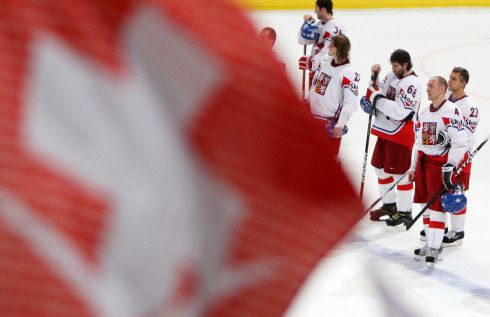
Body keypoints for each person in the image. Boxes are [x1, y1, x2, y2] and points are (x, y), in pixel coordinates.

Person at [409, 76, 468, 266]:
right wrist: (412, 166)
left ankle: (436, 247)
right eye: (427, 85)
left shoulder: (451, 111)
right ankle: (430, 244)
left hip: (438, 167)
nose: (427, 89)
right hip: (423, 165)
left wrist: (450, 166)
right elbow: (418, 143)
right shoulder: (425, 112)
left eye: (431, 86)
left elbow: (460, 142)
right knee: (425, 207)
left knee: (436, 209)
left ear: (442, 89)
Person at [362, 49, 423, 229]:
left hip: (400, 134)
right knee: (379, 168)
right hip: (384, 130)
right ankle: (390, 206)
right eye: (392, 65)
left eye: (396, 66)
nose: (393, 69)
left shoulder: (413, 83)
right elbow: (378, 89)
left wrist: (376, 99)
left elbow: (400, 112)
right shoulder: (392, 76)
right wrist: (374, 77)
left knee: (400, 174)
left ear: (405, 64)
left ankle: (405, 212)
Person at [419, 67, 479, 246]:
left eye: (454, 79)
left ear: (463, 83)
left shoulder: (470, 107)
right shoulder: (444, 102)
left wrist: (443, 137)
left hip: (461, 156)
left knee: (456, 189)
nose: (450, 81)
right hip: (441, 156)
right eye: (450, 78)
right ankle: (439, 226)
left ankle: (458, 231)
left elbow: (465, 135)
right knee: (440, 190)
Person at [308, 33, 360, 156]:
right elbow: (317, 85)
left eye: (331, 45)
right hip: (312, 118)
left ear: (337, 49)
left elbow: (351, 103)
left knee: (326, 162)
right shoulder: (326, 60)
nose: (328, 48)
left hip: (328, 122)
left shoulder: (349, 72)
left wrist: (341, 123)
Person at [298, 0, 346, 89]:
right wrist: (306, 24)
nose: (315, 11)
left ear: (323, 9)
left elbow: (330, 52)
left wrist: (311, 62)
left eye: (316, 8)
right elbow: (303, 41)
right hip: (316, 70)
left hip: (327, 73)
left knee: (321, 100)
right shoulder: (318, 25)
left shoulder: (336, 27)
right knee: (312, 99)